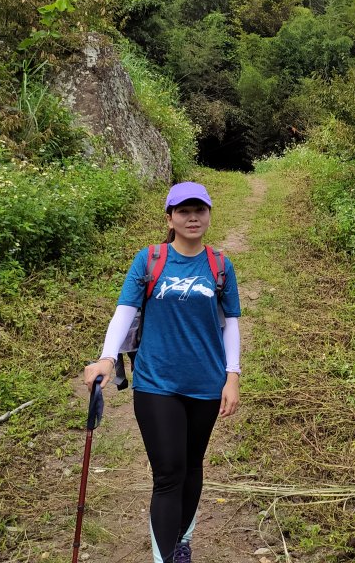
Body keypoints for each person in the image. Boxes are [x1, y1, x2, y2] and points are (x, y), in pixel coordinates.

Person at [84, 181, 241, 563]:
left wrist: (232, 375)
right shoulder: (150, 259)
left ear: (208, 215)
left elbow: (231, 322)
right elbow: (125, 310)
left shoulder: (220, 266)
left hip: (206, 382)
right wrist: (107, 357)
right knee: (168, 473)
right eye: (183, 211)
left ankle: (182, 540)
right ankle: (164, 558)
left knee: (191, 467)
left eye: (199, 210)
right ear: (169, 217)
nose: (192, 217)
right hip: (157, 382)